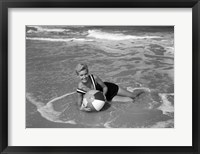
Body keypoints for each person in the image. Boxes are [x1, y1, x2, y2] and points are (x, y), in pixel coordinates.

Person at [75, 63, 144, 111]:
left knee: (134, 96)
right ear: (78, 75)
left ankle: (143, 90)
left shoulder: (94, 78)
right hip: (107, 98)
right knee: (130, 100)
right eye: (81, 75)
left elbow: (105, 87)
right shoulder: (80, 88)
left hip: (110, 89)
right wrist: (82, 109)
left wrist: (103, 95)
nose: (84, 77)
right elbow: (79, 104)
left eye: (86, 74)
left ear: (88, 73)